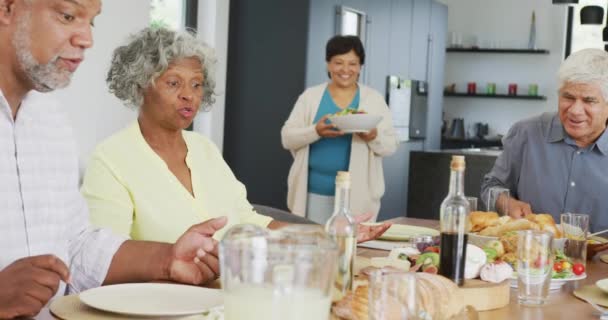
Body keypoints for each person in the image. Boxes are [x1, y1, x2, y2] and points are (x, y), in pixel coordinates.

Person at [0, 1, 224, 318]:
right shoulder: (112, 153)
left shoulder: (51, 121)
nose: (87, 39)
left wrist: (168, 259)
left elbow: (74, 245)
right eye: (67, 15)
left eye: (91, 22)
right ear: (7, 7)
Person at [81, 27, 391, 243]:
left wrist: (329, 234)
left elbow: (248, 219)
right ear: (139, 86)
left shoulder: (204, 149)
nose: (190, 96)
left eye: (197, 84)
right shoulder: (111, 159)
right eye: (174, 83)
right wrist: (171, 258)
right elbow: (106, 257)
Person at [480, 48, 608, 255]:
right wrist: (507, 202)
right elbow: (490, 188)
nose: (575, 110)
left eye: (589, 100)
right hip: (529, 263)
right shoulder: (526, 133)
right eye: (568, 97)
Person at [281, 35, 398, 224]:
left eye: (352, 63)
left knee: (350, 250)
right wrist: (315, 132)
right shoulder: (310, 97)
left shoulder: (373, 99)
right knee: (314, 249)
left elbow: (390, 146)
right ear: (328, 64)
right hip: (312, 194)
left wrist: (373, 136)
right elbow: (287, 138)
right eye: (338, 62)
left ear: (360, 66)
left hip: (357, 197)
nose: (345, 70)